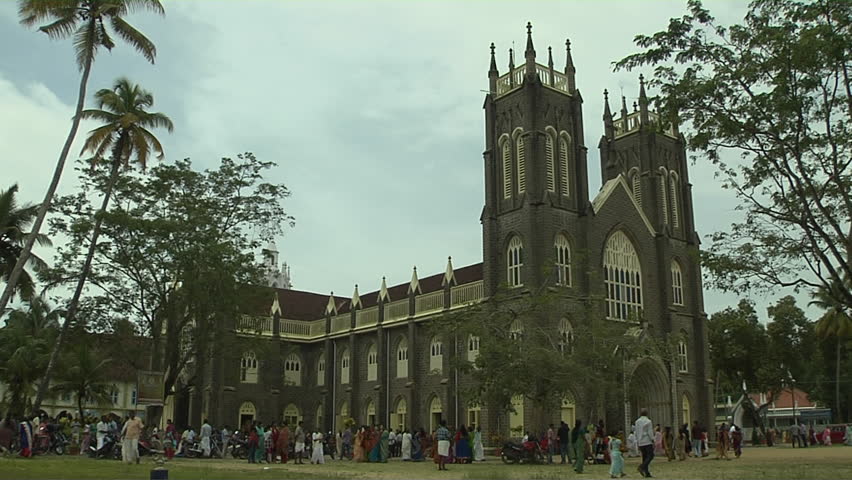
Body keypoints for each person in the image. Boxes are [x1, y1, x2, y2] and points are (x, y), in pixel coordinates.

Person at [634, 408, 655, 478]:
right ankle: (642, 467)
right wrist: (652, 439)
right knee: (651, 455)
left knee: (644, 456)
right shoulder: (648, 421)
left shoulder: (637, 422)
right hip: (647, 440)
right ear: (647, 413)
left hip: (640, 441)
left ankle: (647, 473)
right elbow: (650, 432)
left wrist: (637, 441)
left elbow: (636, 432)